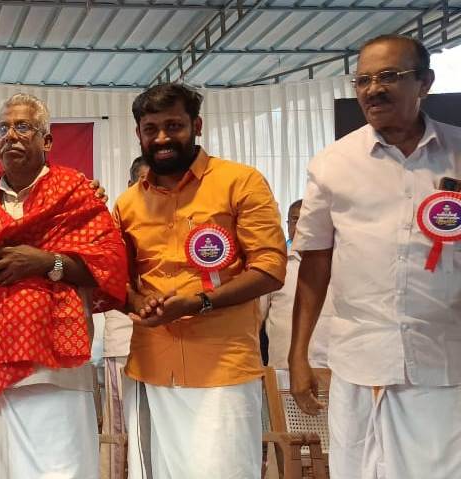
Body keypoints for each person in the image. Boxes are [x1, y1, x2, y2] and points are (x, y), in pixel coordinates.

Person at [289, 34, 461, 479]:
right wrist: (298, 355)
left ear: (425, 82)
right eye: (363, 80)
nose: (373, 89)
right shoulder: (332, 163)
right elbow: (314, 264)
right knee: (358, 470)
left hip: (444, 364)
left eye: (389, 76)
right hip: (359, 359)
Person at [0, 93, 127, 478]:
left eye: (23, 126)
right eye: (2, 129)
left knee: (62, 469)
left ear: (47, 140)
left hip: (57, 365)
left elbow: (107, 267)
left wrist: (45, 262)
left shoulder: (75, 191)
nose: (11, 135)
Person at [114, 83, 287, 479]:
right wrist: (136, 302)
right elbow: (115, 280)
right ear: (138, 133)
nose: (162, 138)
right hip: (152, 367)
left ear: (197, 125)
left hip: (222, 368)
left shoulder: (240, 182)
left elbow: (270, 267)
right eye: (150, 128)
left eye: (173, 125)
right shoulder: (127, 204)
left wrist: (200, 302)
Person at [100, 154, 148, 479]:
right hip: (123, 343)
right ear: (130, 184)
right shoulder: (114, 225)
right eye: (144, 183)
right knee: (119, 432)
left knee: (151, 430)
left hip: (165, 345)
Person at [259, 199, 334, 369]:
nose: (301, 226)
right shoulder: (275, 265)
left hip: (332, 371)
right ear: (287, 225)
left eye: (308, 219)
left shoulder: (339, 265)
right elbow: (256, 319)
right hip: (284, 370)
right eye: (295, 219)